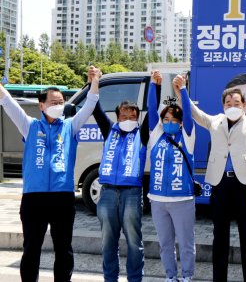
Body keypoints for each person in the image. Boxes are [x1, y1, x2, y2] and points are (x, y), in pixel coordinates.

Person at [0, 66, 100, 282]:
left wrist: (94, 80)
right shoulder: (30, 126)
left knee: (63, 249)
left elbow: (90, 103)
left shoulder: (71, 126)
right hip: (34, 198)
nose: (58, 106)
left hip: (62, 197)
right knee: (31, 249)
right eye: (53, 102)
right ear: (41, 105)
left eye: (61, 102)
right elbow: (8, 103)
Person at [190, 65, 246, 282]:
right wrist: (182, 92)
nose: (232, 106)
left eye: (237, 103)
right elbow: (196, 114)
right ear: (223, 105)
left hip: (243, 185)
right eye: (228, 103)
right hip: (220, 185)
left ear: (243, 105)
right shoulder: (215, 121)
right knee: (219, 237)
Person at [89, 67, 152, 282]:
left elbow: (152, 111)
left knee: (134, 241)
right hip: (107, 193)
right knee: (108, 241)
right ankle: (110, 279)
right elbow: (95, 109)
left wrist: (156, 85)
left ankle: (135, 279)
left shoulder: (141, 134)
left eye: (132, 116)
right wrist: (94, 82)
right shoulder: (110, 131)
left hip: (132, 194)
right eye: (124, 115)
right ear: (117, 116)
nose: (128, 119)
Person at [147, 71, 197, 282]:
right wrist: (153, 85)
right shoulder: (156, 136)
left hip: (182, 199)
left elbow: (188, 116)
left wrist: (183, 89)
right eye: (165, 119)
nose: (169, 122)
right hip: (157, 200)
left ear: (181, 122)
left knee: (186, 244)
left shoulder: (187, 137)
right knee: (165, 244)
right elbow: (151, 110)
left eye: (174, 119)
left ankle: (186, 276)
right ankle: (170, 276)